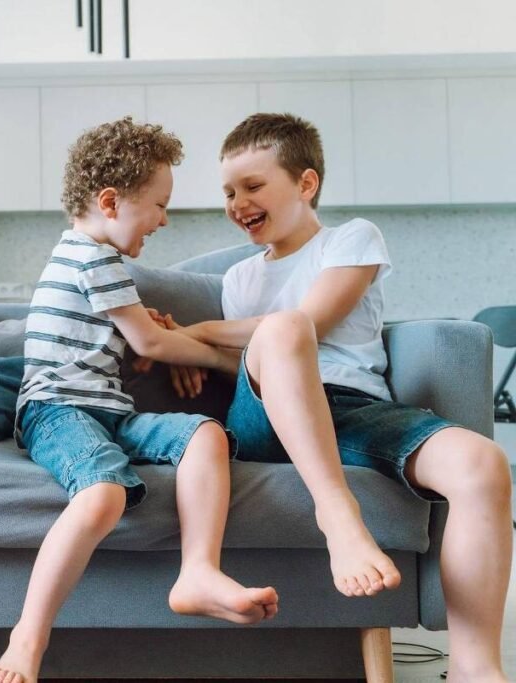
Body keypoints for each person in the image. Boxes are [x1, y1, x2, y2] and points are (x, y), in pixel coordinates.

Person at [165, 112, 512, 682]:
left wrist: (194, 334)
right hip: (264, 419)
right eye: (228, 192)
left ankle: (477, 668)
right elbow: (259, 358)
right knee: (282, 331)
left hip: (355, 408)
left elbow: (313, 321)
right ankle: (337, 512)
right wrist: (190, 351)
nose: (237, 203)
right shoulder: (240, 279)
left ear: (306, 183)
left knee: (483, 464)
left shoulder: (352, 239)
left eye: (253, 186)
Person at [0, 117, 279, 683]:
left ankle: (198, 572)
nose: (164, 219)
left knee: (205, 434)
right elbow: (149, 342)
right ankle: (28, 634)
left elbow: (142, 336)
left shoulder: (92, 260)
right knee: (102, 495)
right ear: (110, 202)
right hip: (58, 410)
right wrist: (232, 361)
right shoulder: (93, 257)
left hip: (109, 412)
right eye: (159, 205)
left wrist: (160, 341)